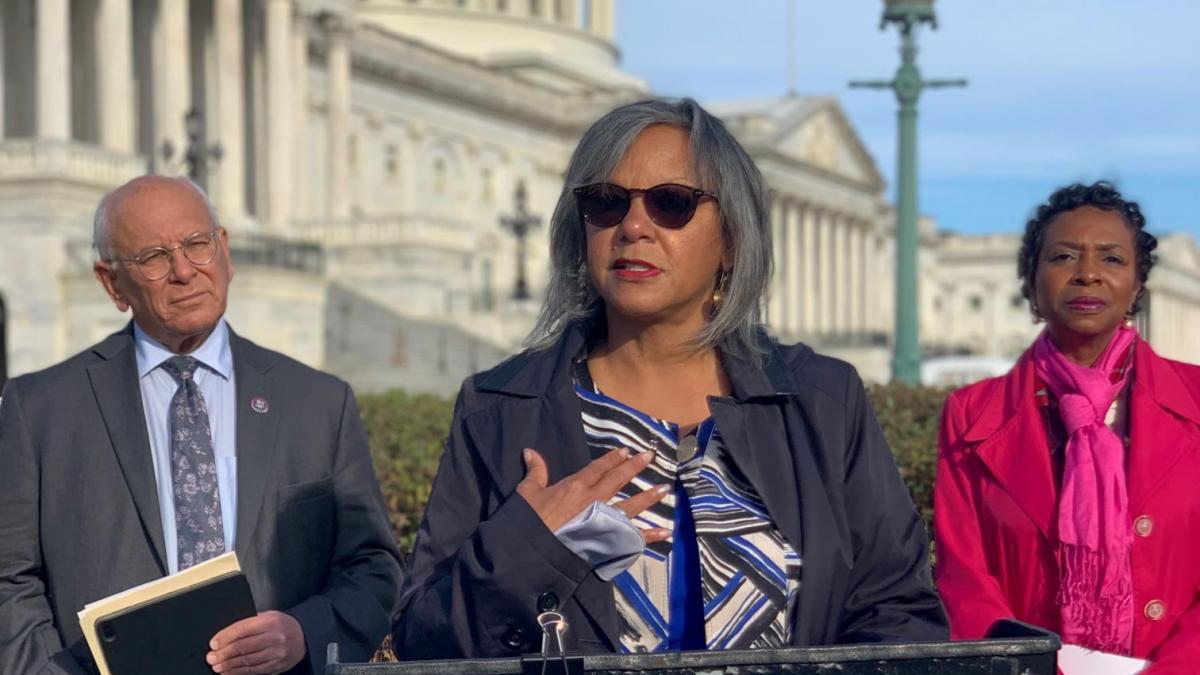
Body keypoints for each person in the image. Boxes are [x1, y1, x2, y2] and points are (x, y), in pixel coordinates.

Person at [392, 98, 946, 659]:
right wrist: (524, 547)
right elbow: (420, 641)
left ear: (731, 236)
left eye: (672, 204)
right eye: (606, 203)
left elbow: (897, 613)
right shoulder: (500, 409)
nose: (634, 227)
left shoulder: (821, 401)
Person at [0, 176, 403, 675]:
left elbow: (373, 567)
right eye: (153, 257)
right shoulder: (40, 408)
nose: (184, 272)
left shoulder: (319, 403)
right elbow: (9, 578)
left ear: (225, 253)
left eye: (196, 244)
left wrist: (304, 632)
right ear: (111, 284)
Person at [935, 182, 1200, 671]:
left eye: (1112, 259)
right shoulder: (970, 414)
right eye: (1063, 257)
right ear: (1032, 283)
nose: (1088, 275)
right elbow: (964, 581)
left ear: (1137, 284)